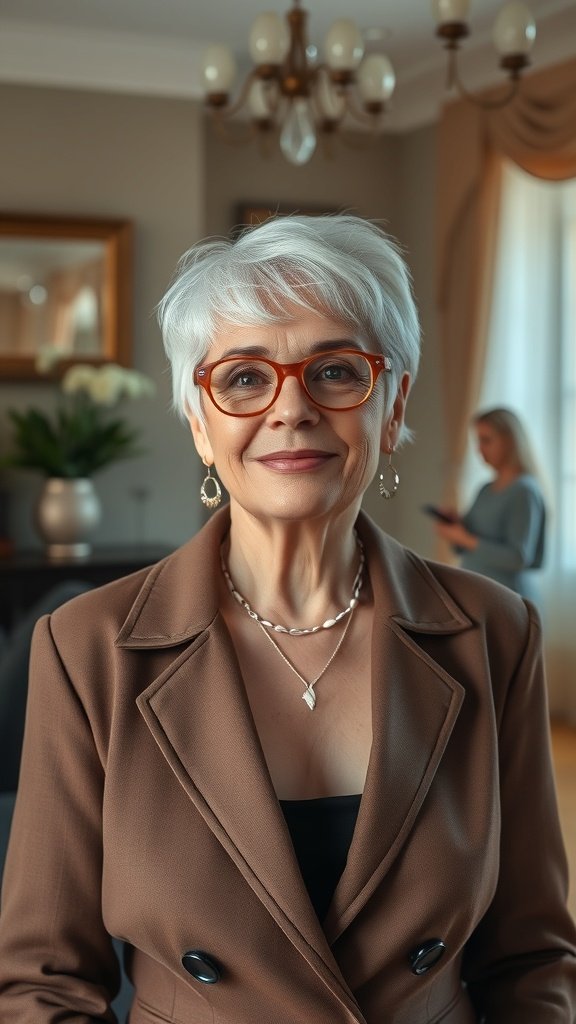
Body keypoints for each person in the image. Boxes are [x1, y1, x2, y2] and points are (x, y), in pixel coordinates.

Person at [0, 215, 574, 1024]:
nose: (292, 408)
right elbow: (44, 983)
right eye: (242, 378)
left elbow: (533, 960)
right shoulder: (86, 648)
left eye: (337, 370)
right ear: (200, 423)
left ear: (394, 402)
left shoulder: (497, 632)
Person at [435, 407, 547, 601]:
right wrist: (456, 526)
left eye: (486, 440)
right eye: (478, 441)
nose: (479, 449)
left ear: (510, 441)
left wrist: (465, 539)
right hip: (479, 598)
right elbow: (464, 546)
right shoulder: (486, 489)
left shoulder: (524, 491)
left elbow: (518, 557)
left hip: (508, 602)